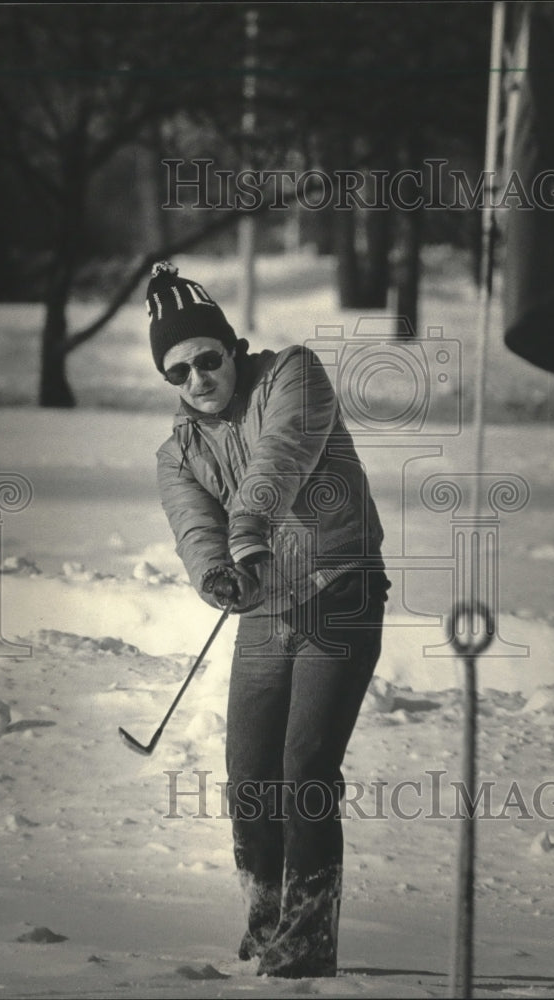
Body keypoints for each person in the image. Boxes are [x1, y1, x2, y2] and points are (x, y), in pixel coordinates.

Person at [148, 260, 389, 979]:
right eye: (177, 370)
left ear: (230, 345)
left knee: (303, 766)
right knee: (249, 775)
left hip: (340, 586)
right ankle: (267, 921)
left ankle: (306, 945)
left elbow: (282, 456)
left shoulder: (293, 373)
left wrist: (247, 527)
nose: (196, 378)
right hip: (267, 604)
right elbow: (195, 530)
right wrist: (218, 575)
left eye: (207, 358)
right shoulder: (176, 453)